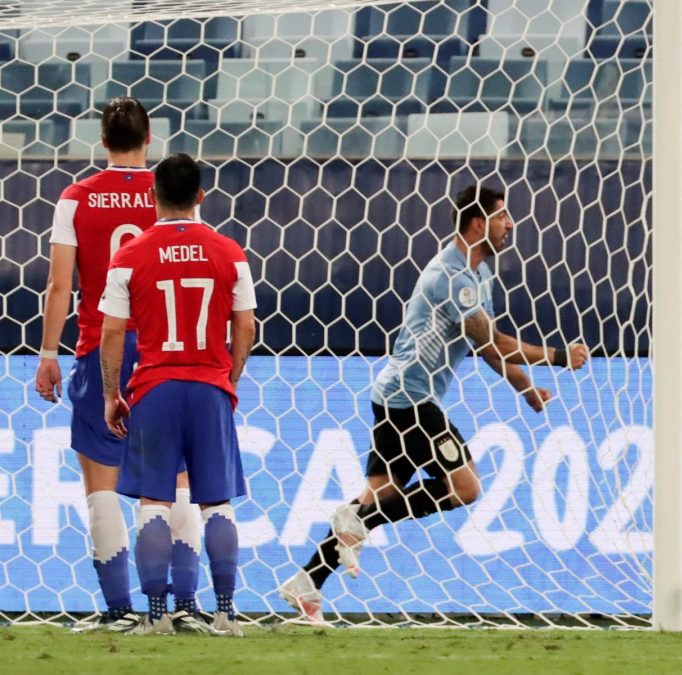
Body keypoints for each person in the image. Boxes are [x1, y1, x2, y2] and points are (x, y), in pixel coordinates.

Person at [278, 185, 589, 623]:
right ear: (478, 223)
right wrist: (556, 357)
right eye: (503, 217)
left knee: (380, 497)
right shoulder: (453, 276)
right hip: (411, 398)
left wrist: (525, 389)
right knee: (466, 487)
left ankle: (308, 582)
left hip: (392, 396)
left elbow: (486, 350)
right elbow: (492, 340)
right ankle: (358, 520)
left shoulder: (481, 277)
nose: (511, 225)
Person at [34, 98, 205, 633]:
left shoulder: (75, 197)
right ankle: (184, 608)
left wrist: (47, 353)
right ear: (148, 139)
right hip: (164, 352)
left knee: (102, 484)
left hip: (98, 349)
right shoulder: (169, 194)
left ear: (102, 141)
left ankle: (118, 612)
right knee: (177, 480)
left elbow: (61, 284)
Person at [99, 153, 257, 636]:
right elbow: (246, 324)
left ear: (153, 197)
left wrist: (111, 394)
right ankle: (227, 613)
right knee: (218, 505)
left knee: (153, 504)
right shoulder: (231, 252)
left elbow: (111, 332)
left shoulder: (129, 255)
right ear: (201, 197)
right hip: (210, 388)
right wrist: (228, 378)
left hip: (155, 389)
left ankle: (155, 618)